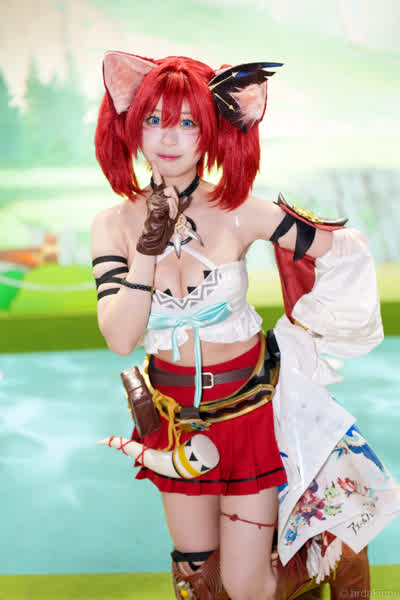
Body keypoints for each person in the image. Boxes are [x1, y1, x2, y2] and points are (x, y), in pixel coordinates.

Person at [92, 51, 400, 600]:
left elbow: (342, 251)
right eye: (154, 119)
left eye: (188, 122)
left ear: (212, 130)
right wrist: (147, 251)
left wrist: (303, 330)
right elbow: (119, 338)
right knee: (198, 579)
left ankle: (328, 554)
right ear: (133, 125)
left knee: (246, 585)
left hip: (248, 413)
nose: (169, 137)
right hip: (174, 417)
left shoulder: (241, 210)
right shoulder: (112, 224)